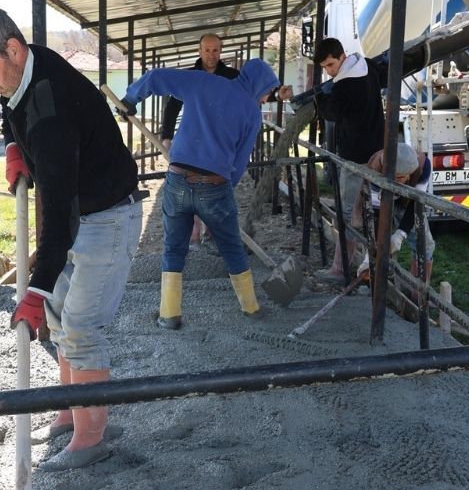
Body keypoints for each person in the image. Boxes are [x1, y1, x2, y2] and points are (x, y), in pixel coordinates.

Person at [0, 5, 142, 472]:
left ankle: (91, 438)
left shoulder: (50, 107)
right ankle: (69, 412)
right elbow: (7, 108)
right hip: (79, 209)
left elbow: (58, 209)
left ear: (12, 49)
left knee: (79, 326)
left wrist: (35, 287)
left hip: (107, 215)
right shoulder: (21, 71)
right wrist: (16, 147)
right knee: (59, 319)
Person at [119, 59, 289, 330]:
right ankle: (251, 308)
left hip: (176, 180)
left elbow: (155, 77)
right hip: (215, 184)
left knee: (174, 248)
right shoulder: (252, 112)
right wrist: (223, 190)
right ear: (260, 84)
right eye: (268, 92)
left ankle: (169, 315)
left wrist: (131, 98)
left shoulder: (204, 81)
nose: (267, 98)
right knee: (232, 247)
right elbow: (240, 161)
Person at [311, 37, 386, 282]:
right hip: (377, 152)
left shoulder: (343, 86)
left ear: (342, 56)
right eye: (325, 67)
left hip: (354, 157)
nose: (329, 71)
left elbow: (331, 113)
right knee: (374, 210)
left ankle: (340, 269)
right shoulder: (368, 66)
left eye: (331, 65)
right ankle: (372, 266)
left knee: (346, 213)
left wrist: (320, 98)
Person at [158, 34, 240, 251]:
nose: (211, 55)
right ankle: (193, 236)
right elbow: (172, 107)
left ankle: (211, 235)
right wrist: (166, 136)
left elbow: (251, 97)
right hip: (192, 143)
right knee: (189, 186)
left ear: (221, 51)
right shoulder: (189, 77)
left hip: (219, 143)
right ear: (199, 50)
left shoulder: (232, 76)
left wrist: (277, 95)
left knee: (215, 187)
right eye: (207, 50)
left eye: (215, 50)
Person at [364, 142, 435, 288]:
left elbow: (416, 204)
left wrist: (400, 234)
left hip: (407, 201)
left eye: (401, 177)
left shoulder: (423, 166)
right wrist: (372, 251)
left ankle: (418, 292)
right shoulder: (375, 168)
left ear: (411, 172)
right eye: (394, 177)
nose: (397, 181)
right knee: (378, 240)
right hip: (382, 199)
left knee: (425, 244)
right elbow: (376, 213)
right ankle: (376, 275)